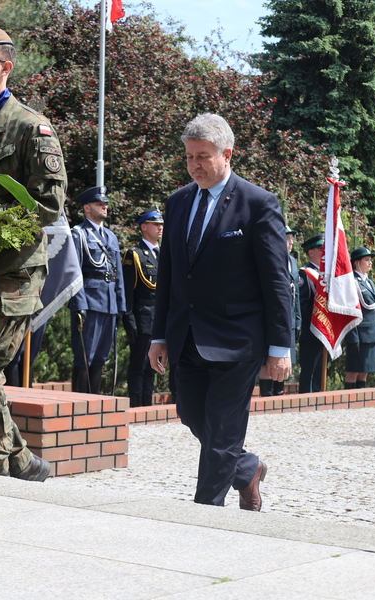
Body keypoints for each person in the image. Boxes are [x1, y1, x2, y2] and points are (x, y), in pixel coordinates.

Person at [148, 113, 292, 511]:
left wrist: (280, 347)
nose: (194, 165)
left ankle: (205, 519)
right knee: (194, 417)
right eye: (189, 156)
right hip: (187, 337)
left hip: (238, 341)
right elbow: (169, 276)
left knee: (222, 433)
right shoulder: (178, 203)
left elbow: (276, 281)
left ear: (227, 154)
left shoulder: (258, 204)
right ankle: (247, 469)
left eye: (203, 156)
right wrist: (159, 336)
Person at [0, 25, 67, 481]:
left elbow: (49, 205)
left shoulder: (29, 127)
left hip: (13, 272)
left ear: (5, 67)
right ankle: (19, 462)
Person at [69, 186, 126, 394]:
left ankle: (94, 403)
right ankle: (79, 404)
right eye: (99, 204)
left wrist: (121, 304)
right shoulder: (79, 234)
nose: (104, 207)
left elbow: (117, 273)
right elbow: (74, 272)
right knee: (85, 357)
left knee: (101, 357)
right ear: (86, 208)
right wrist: (79, 304)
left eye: (105, 204)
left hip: (109, 303)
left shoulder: (111, 236)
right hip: (90, 302)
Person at [122, 206, 163, 407]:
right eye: (155, 224)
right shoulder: (135, 254)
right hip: (142, 317)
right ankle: (136, 406)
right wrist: (129, 320)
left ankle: (147, 406)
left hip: (159, 317)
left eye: (161, 224)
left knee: (153, 366)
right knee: (139, 364)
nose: (160, 228)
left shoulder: (163, 254)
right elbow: (127, 292)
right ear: (144, 227)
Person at [257, 225, 302, 396]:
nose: (291, 242)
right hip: (272, 319)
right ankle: (267, 397)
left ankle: (279, 395)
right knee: (267, 362)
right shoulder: (269, 257)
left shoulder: (292, 261)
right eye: (287, 238)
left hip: (288, 319)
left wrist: (298, 320)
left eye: (291, 239)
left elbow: (295, 294)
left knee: (285, 361)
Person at [345, 247, 375, 388]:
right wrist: (353, 338)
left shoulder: (369, 282)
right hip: (360, 334)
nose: (370, 263)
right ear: (356, 263)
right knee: (353, 371)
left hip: (371, 334)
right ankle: (349, 398)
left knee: (364, 371)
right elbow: (350, 311)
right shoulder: (352, 282)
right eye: (366, 260)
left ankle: (361, 398)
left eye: (370, 260)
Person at [297, 233, 325, 393]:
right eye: (321, 249)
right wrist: (319, 321)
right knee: (309, 371)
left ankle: (319, 401)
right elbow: (302, 304)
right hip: (311, 331)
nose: (325, 253)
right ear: (311, 252)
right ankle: (306, 402)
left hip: (324, 331)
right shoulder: (305, 274)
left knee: (320, 372)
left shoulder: (326, 274)